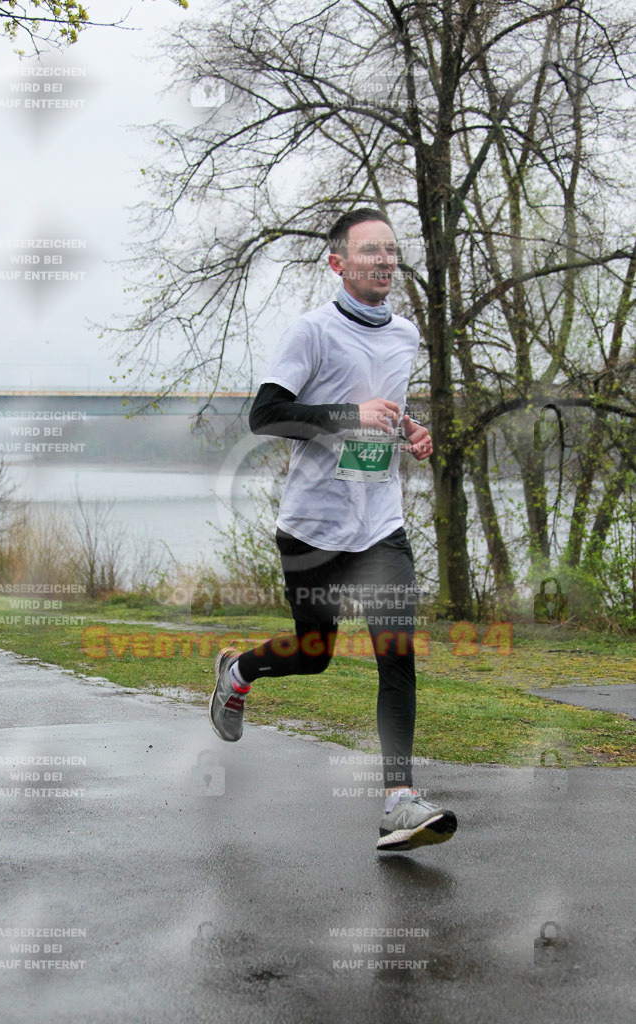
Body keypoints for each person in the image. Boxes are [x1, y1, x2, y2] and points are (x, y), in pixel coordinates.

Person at [209, 208, 457, 852]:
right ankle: (238, 673)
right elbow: (266, 415)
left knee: (397, 657)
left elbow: (387, 413)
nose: (385, 261)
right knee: (314, 655)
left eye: (392, 252)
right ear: (338, 263)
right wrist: (348, 415)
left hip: (381, 526)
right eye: (370, 251)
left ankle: (399, 801)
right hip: (314, 528)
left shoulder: (405, 335)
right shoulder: (311, 332)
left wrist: (410, 431)